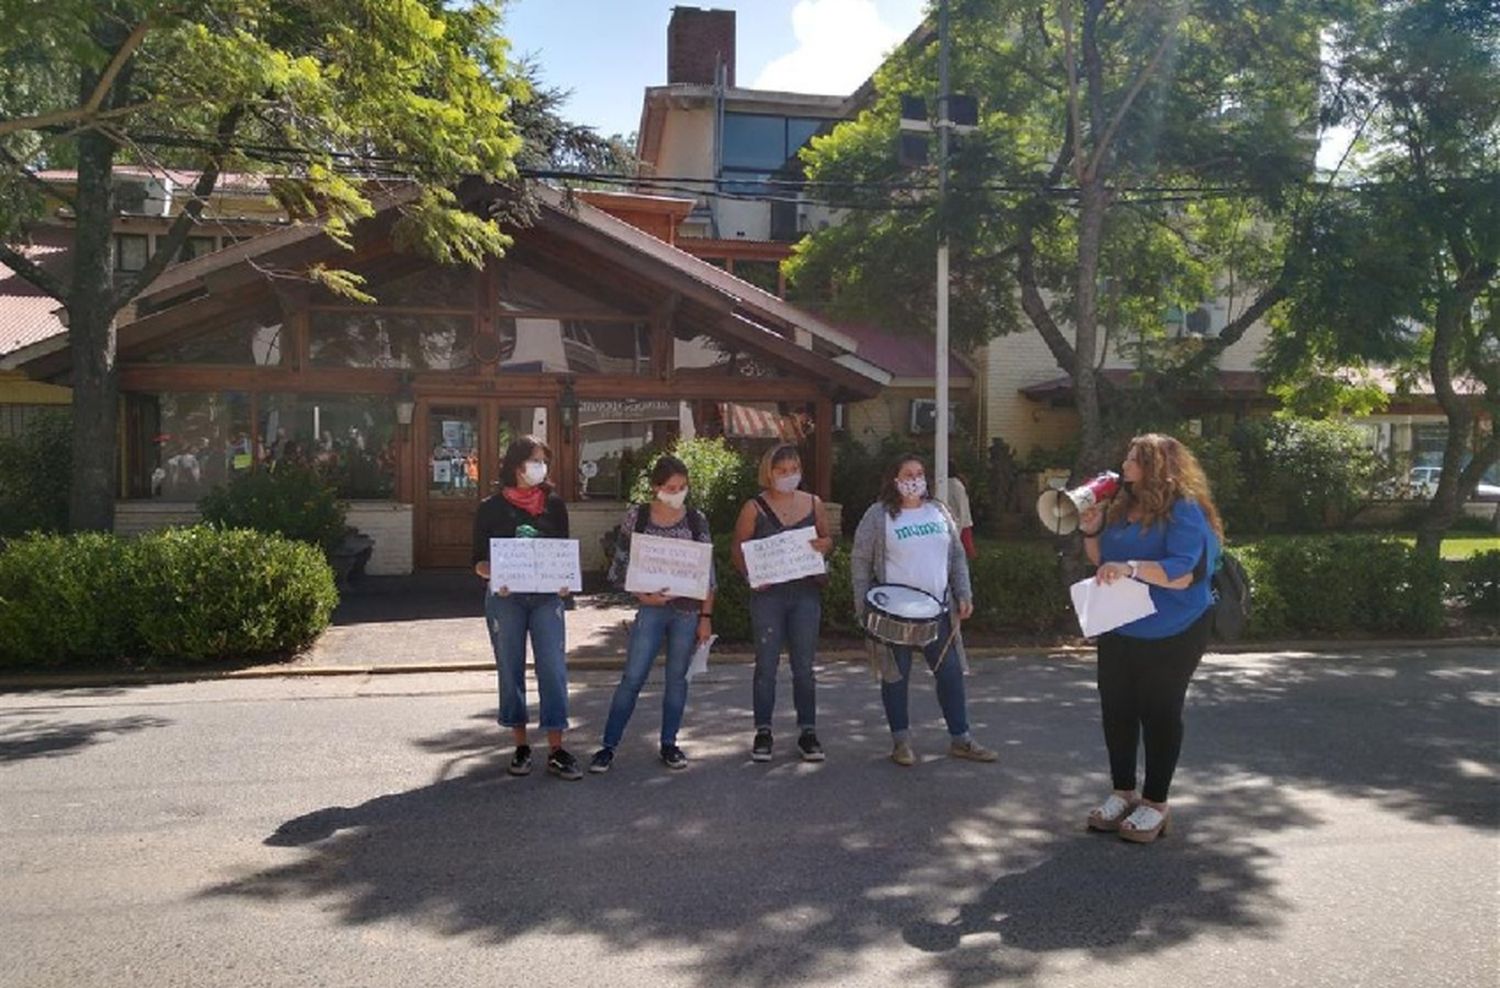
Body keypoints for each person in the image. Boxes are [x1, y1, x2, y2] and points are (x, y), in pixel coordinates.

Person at [1078, 432, 1223, 843]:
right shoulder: (1125, 506)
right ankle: (1122, 793)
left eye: (1133, 459)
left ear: (1157, 467)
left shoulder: (1185, 511)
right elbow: (1105, 562)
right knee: (1117, 708)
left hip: (1174, 627)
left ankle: (1155, 804)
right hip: (1121, 623)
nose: (1124, 465)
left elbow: (1182, 572)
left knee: (1159, 711)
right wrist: (1092, 533)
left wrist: (1133, 568)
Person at [851, 453, 998, 767]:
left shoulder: (939, 511)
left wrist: (963, 593)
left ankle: (961, 739)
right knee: (895, 676)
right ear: (894, 479)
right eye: (908, 473)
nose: (915, 479)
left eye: (919, 473)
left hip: (938, 610)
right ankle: (901, 742)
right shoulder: (878, 516)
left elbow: (957, 556)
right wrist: (862, 605)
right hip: (894, 614)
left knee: (950, 675)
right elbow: (861, 561)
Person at [591, 455, 716, 773]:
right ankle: (608, 745)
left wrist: (706, 618)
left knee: (677, 680)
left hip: (686, 612)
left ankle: (670, 744)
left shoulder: (696, 519)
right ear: (656, 487)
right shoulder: (639, 515)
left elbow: (707, 573)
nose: (678, 493)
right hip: (650, 608)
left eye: (683, 487)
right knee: (632, 677)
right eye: (671, 487)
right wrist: (641, 594)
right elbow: (620, 561)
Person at [471, 435, 581, 781]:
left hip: (548, 598)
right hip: (507, 599)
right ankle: (520, 745)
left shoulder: (555, 505)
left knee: (553, 668)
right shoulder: (490, 507)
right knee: (510, 667)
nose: (541, 467)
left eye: (543, 461)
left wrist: (565, 581)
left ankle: (556, 748)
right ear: (516, 465)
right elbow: (477, 561)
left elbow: (563, 553)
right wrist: (493, 573)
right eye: (535, 460)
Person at [731, 443, 834, 763]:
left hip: (805, 593)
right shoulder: (754, 507)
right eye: (782, 470)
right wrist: (752, 575)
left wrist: (823, 545)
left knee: (804, 667)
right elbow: (738, 550)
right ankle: (763, 730)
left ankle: (808, 731)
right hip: (769, 596)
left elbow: (828, 539)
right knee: (766, 666)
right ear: (769, 472)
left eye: (794, 470)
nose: (789, 475)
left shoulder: (814, 503)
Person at [945, 473, 978, 559]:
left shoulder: (954, 485)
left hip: (961, 525)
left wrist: (959, 529)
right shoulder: (948, 484)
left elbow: (962, 509)